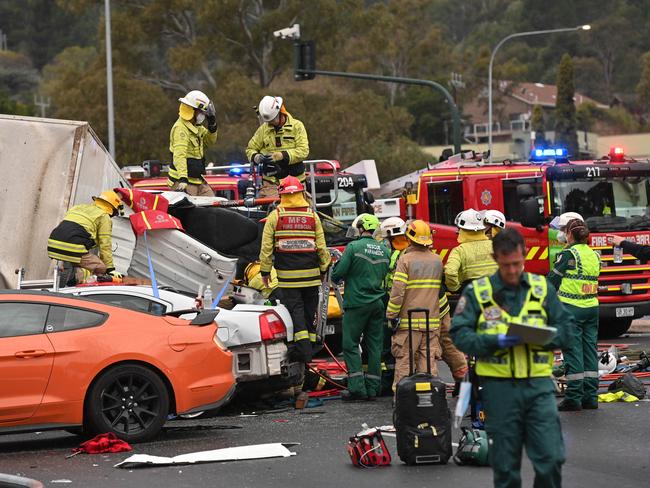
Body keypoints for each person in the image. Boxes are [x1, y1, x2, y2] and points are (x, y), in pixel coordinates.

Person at [451, 228, 574, 488]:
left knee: (551, 459)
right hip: (499, 390)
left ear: (525, 255)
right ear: (496, 258)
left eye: (517, 263)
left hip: (538, 387)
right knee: (505, 469)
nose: (512, 270)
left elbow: (567, 331)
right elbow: (459, 334)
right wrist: (494, 342)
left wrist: (539, 337)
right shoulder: (478, 293)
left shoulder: (542, 289)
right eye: (506, 265)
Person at [259, 176, 330, 363]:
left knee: (296, 312)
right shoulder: (312, 216)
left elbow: (266, 248)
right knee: (309, 312)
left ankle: (303, 351)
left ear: (282, 194)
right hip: (312, 276)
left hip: (288, 278)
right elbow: (322, 248)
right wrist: (324, 269)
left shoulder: (276, 216)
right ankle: (312, 348)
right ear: (300, 193)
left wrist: (265, 272)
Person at [332, 214, 390, 401]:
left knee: (350, 345)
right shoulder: (384, 250)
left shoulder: (354, 247)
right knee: (374, 347)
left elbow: (338, 274)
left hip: (357, 303)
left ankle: (357, 388)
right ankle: (373, 388)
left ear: (362, 227)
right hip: (377, 304)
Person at [549, 212, 601, 411]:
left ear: (570, 234)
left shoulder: (568, 254)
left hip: (571, 310)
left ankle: (573, 397)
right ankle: (591, 397)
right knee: (589, 351)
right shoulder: (594, 254)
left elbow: (552, 281)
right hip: (592, 308)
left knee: (572, 352)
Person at [387, 220, 444, 392]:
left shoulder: (405, 260)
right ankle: (429, 399)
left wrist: (391, 314)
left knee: (404, 361)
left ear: (409, 238)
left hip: (408, 323)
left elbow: (398, 292)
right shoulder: (437, 261)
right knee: (428, 362)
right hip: (431, 322)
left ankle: (402, 400)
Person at [47, 190, 124, 285]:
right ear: (112, 208)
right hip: (73, 247)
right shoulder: (104, 217)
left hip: (53, 243)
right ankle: (74, 276)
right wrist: (110, 269)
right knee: (101, 268)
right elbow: (105, 245)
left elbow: (70, 228)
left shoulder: (78, 207)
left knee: (75, 257)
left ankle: (68, 271)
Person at [246, 96, 309, 198]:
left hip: (296, 182)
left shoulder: (297, 126)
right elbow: (250, 149)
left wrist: (282, 156)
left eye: (272, 119)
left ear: (281, 112)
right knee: (272, 208)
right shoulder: (263, 130)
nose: (270, 123)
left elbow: (303, 151)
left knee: (297, 208)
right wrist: (257, 157)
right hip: (271, 183)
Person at [167, 90, 218, 196]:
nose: (203, 115)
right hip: (183, 181)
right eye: (201, 112)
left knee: (212, 204)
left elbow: (210, 141)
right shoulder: (180, 129)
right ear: (193, 111)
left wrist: (212, 125)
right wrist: (183, 179)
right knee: (193, 211)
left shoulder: (196, 126)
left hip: (197, 179)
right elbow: (179, 156)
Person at [445, 208, 497, 293]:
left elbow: (450, 272)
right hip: (496, 292)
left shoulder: (459, 251)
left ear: (461, 229)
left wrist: (455, 289)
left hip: (472, 295)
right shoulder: (495, 246)